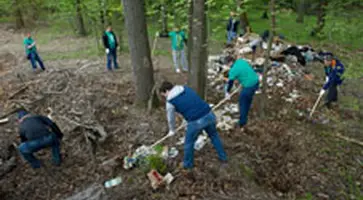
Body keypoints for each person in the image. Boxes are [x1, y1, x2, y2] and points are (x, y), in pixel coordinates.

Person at [159, 81, 227, 174]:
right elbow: (193, 102)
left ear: (166, 91)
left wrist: (172, 130)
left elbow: (171, 118)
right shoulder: (185, 88)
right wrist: (186, 119)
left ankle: (187, 166)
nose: (165, 97)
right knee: (214, 135)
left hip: (196, 121)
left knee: (188, 143)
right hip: (209, 113)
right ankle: (223, 157)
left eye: (164, 95)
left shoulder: (170, 101)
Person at [225, 56, 259, 131]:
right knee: (247, 100)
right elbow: (246, 71)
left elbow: (230, 82)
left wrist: (227, 92)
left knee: (242, 103)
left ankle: (242, 124)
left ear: (230, 62)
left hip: (249, 85)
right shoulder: (241, 61)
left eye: (227, 64)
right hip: (256, 81)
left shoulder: (233, 70)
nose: (228, 66)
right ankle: (245, 117)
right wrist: (242, 82)